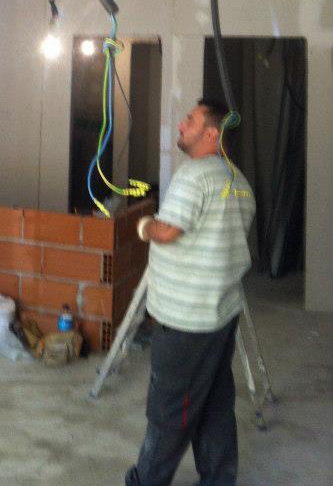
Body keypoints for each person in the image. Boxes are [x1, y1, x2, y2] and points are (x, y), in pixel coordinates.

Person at [126, 97, 256, 486]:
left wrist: (144, 226)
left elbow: (168, 231)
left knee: (169, 411)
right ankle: (219, 479)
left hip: (186, 322)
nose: (181, 125)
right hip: (220, 315)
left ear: (212, 133)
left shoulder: (195, 175)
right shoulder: (239, 182)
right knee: (215, 405)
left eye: (190, 120)